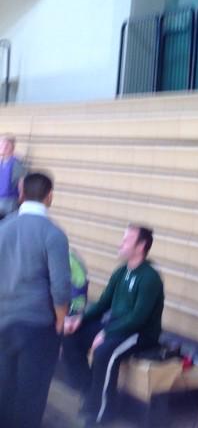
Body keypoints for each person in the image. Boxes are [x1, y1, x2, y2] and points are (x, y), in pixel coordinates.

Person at [61, 224, 164, 427]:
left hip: (139, 334)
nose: (121, 243)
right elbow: (102, 303)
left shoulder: (150, 278)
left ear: (141, 245)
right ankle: (90, 391)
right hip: (117, 327)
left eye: (126, 240)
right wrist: (80, 319)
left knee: (104, 352)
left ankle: (103, 413)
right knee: (72, 336)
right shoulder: (120, 273)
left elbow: (137, 319)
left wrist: (106, 333)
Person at [0, 171, 71, 428]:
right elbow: (61, 286)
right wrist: (61, 320)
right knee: (31, 396)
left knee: (4, 391)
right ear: (50, 196)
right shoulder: (53, 235)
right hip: (37, 327)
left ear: (21, 194)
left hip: (3, 322)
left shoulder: (3, 228)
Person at [0, 133, 27, 218]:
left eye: (3, 145)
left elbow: (21, 183)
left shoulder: (16, 164)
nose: (1, 147)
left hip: (10, 202)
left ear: (10, 147)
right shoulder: (2, 162)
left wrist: (21, 200)